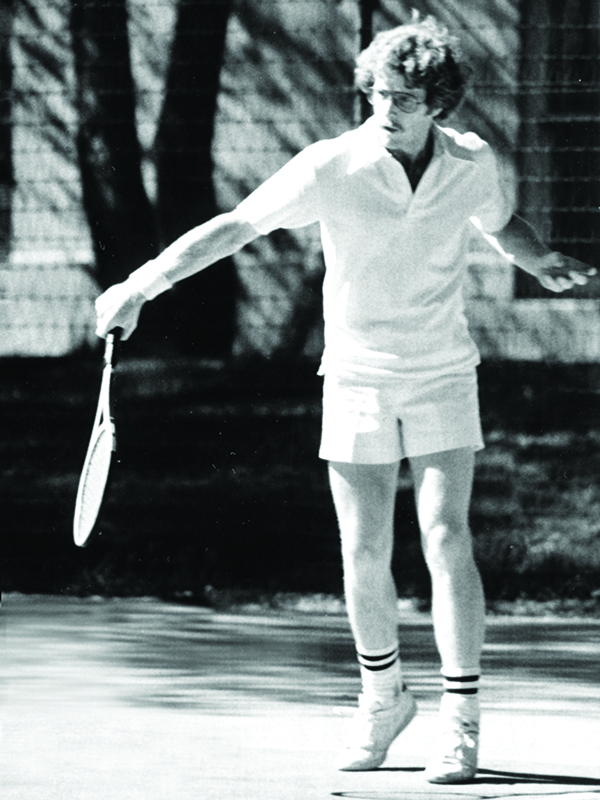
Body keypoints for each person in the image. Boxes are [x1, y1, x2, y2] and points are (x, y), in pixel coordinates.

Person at [95, 14, 596, 784]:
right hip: (357, 374)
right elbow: (235, 227)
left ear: (440, 102)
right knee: (362, 549)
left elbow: (501, 226)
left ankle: (461, 721)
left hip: (441, 372)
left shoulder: (472, 163)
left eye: (402, 97)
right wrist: (138, 285)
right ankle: (382, 699)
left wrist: (540, 259)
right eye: (377, 94)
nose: (383, 109)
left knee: (445, 536)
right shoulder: (333, 166)